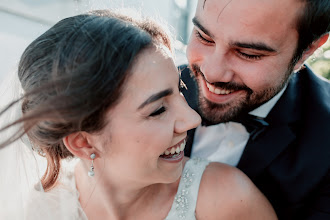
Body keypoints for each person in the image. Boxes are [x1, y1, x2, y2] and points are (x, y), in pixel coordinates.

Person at [0, 9, 277, 220]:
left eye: (179, 90)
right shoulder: (45, 205)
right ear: (84, 143)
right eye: (158, 110)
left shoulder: (227, 202)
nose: (192, 119)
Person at [180, 0, 330, 219]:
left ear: (308, 49)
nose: (212, 73)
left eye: (248, 53)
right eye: (204, 37)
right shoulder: (146, 89)